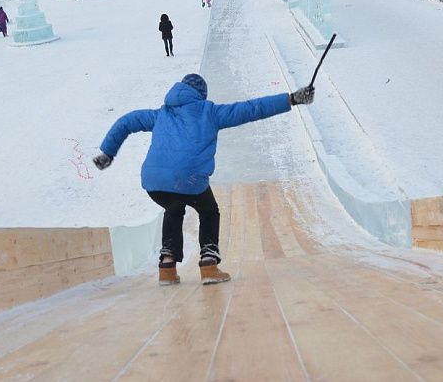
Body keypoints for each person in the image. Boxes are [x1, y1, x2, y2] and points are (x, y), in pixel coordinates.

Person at [93, 74, 315, 286]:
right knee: (209, 211)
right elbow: (251, 109)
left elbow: (126, 122)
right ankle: (209, 263)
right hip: (189, 179)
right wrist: (292, 99)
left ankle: (167, 268)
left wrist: (108, 152)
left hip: (155, 181)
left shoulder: (161, 114)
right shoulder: (209, 112)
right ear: (201, 95)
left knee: (174, 207)